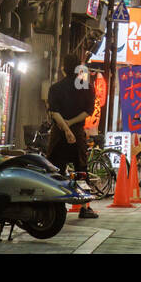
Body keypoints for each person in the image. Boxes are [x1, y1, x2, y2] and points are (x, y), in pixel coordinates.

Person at [46, 52, 99, 219]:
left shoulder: (55, 88)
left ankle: (53, 205)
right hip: (77, 133)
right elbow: (88, 111)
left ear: (63, 69)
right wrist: (71, 126)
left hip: (58, 134)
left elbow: (54, 112)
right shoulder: (87, 88)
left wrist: (65, 128)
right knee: (81, 170)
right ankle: (84, 207)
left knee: (55, 170)